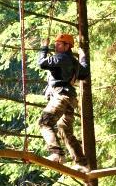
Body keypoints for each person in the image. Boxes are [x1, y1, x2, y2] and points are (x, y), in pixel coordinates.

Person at [37, 33, 89, 173]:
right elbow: (84, 73)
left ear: (67, 46)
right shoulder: (73, 61)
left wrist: (44, 48)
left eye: (59, 44)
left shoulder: (61, 57)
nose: (56, 46)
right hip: (70, 99)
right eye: (56, 44)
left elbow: (42, 63)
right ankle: (82, 163)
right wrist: (83, 56)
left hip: (61, 96)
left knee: (44, 123)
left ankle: (56, 153)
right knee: (65, 130)